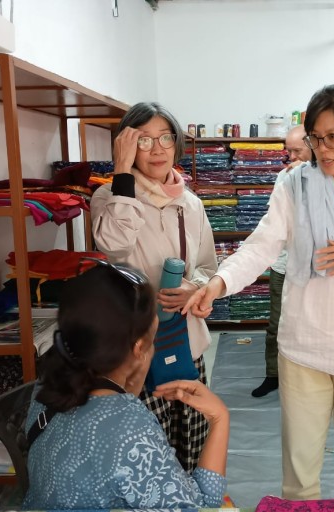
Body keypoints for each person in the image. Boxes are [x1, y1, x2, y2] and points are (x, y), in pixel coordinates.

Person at [185, 84, 334, 500]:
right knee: (299, 475)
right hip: (304, 346)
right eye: (316, 138)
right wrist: (219, 283)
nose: (323, 149)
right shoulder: (295, 184)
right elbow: (262, 245)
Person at [23, 262, 229, 509]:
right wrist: (219, 417)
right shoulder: (131, 430)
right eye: (153, 339)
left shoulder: (46, 385)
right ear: (139, 347)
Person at [90, 102, 218, 473]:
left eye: (165, 138)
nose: (157, 149)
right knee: (144, 455)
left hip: (185, 342)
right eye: (144, 140)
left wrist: (196, 288)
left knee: (191, 445)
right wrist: (121, 174)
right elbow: (114, 246)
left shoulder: (190, 204)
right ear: (127, 146)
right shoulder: (109, 197)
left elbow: (208, 266)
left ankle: (189, 507)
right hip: (135, 349)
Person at [253, 124, 313, 398]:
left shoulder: (330, 179)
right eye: (288, 151)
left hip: (314, 268)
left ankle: (306, 378)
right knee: (276, 324)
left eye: (297, 151)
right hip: (283, 264)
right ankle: (273, 374)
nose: (292, 157)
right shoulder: (284, 176)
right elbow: (275, 223)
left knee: (310, 325)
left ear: (313, 145)